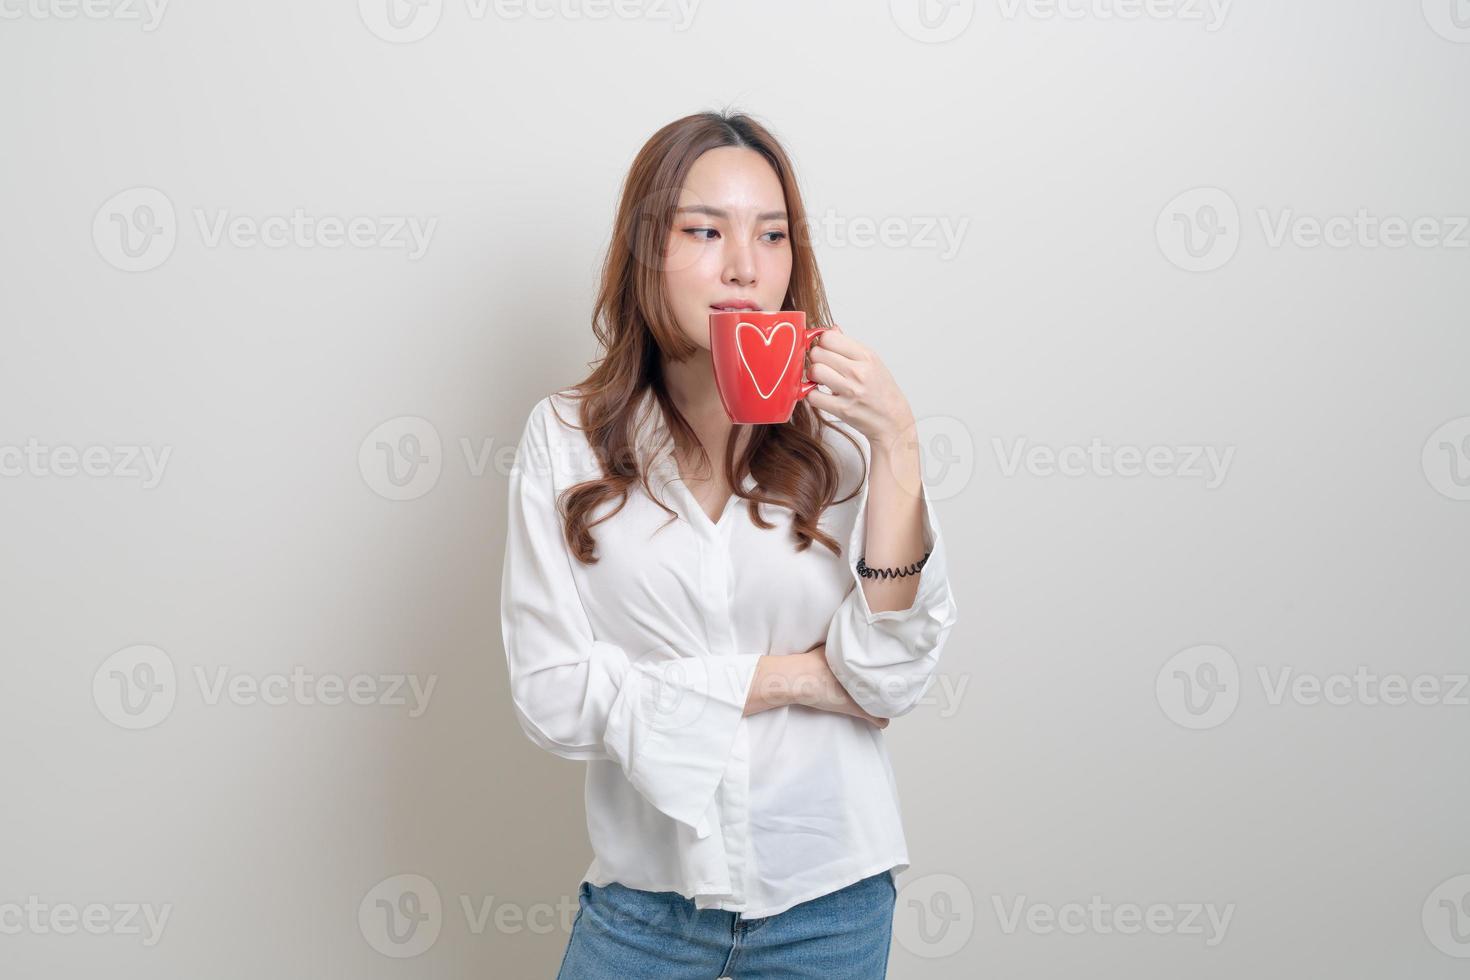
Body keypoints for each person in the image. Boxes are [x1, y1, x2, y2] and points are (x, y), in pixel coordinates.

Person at [499, 109, 959, 979]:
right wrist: (793, 678)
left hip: (830, 908)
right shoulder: (565, 438)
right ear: (646, 251)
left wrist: (899, 443)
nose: (746, 266)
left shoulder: (848, 440)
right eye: (704, 231)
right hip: (641, 915)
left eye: (773, 235)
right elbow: (552, 695)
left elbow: (890, 676)